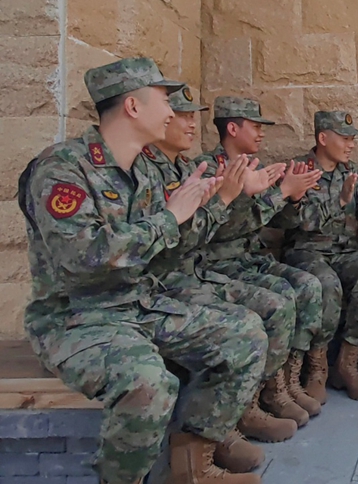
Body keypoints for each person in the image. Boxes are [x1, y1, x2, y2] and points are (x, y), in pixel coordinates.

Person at [18, 58, 266, 484]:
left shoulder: (144, 170)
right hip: (76, 319)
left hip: (138, 303)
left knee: (245, 335)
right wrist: (170, 217)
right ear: (133, 106)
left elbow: (169, 251)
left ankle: (193, 462)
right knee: (149, 383)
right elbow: (83, 256)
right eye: (164, 100)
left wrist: (214, 202)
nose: (172, 111)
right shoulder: (63, 168)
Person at [143, 86, 300, 458]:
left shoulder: (185, 168)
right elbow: (210, 234)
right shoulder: (167, 171)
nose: (189, 124)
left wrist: (263, 192)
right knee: (249, 323)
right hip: (177, 278)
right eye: (181, 115)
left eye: (190, 116)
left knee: (282, 300)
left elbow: (203, 230)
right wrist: (247, 194)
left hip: (198, 270)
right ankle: (219, 427)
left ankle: (253, 402)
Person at [195, 96, 325, 428]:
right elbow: (221, 228)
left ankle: (287, 381)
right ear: (232, 128)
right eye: (255, 126)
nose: (261, 133)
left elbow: (278, 221)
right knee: (279, 300)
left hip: (251, 258)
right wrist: (278, 193)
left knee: (309, 285)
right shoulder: (210, 169)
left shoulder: (254, 166)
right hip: (219, 264)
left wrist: (292, 198)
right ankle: (261, 394)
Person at [284, 111, 358, 401]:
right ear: (322, 138)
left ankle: (347, 364)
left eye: (352, 139)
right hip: (306, 251)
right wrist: (340, 201)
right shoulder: (300, 170)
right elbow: (295, 221)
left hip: (344, 250)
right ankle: (317, 369)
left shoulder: (350, 171)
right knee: (327, 284)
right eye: (344, 138)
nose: (350, 145)